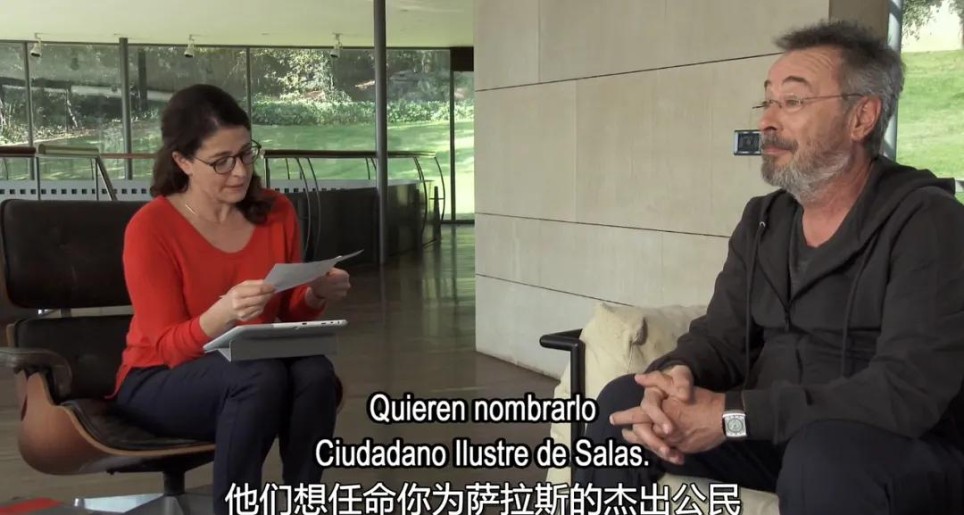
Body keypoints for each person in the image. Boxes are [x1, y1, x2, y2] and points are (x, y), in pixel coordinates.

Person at [575, 19, 964, 515]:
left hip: (889, 448)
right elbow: (721, 336)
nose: (767, 122)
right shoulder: (765, 220)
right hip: (772, 434)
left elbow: (906, 392)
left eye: (793, 101)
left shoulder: (930, 223)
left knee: (822, 457)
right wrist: (674, 376)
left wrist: (733, 415)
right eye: (767, 102)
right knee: (621, 406)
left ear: (861, 117)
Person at [109, 84, 350, 514]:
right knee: (258, 377)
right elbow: (167, 347)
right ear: (183, 161)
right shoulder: (151, 228)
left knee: (315, 373)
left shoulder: (276, 210)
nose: (240, 172)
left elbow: (285, 310)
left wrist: (314, 294)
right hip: (158, 377)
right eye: (221, 161)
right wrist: (222, 314)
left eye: (246, 154)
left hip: (253, 364)